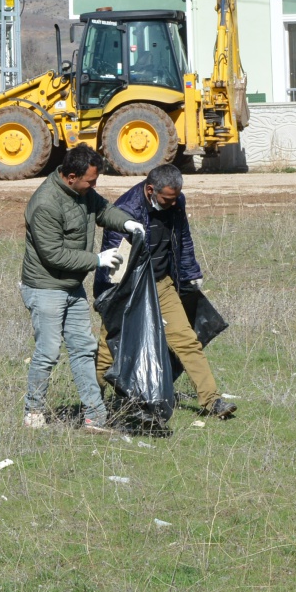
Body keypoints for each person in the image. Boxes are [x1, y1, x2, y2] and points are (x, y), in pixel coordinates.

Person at [93, 164, 236, 420]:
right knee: (108, 347)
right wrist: (123, 300)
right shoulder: (125, 210)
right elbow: (115, 265)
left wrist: (191, 274)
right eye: (167, 199)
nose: (172, 204)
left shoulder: (175, 201)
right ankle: (93, 402)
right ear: (150, 190)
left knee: (186, 340)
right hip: (125, 288)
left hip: (161, 282)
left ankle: (212, 401)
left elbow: (182, 238)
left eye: (175, 198)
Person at [19, 145, 146, 432]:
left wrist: (128, 223)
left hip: (72, 286)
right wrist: (96, 260)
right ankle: (33, 411)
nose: (94, 185)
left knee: (83, 349)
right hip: (45, 287)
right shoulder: (46, 204)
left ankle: (95, 416)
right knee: (49, 351)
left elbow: (103, 210)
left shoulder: (83, 193)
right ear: (71, 176)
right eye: (90, 181)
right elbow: (53, 254)